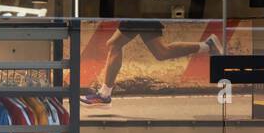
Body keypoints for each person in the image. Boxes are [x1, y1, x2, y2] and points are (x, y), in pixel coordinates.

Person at [82, 21, 221, 105]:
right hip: (139, 12)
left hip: (136, 13)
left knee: (114, 45)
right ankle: (207, 46)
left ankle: (105, 94)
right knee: (162, 52)